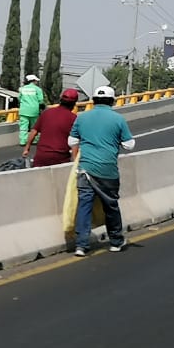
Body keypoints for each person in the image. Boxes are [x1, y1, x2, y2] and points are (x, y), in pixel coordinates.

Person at [68, 85, 136, 256]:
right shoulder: (118, 119)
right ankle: (115, 241)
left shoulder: (82, 118)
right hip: (108, 170)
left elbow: (71, 141)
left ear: (94, 100)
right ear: (112, 101)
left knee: (84, 206)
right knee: (111, 205)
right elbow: (129, 145)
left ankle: (81, 245)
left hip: (85, 169)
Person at [22, 88, 80, 167]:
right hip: (60, 158)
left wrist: (26, 148)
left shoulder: (47, 113)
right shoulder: (73, 118)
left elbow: (34, 132)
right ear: (74, 104)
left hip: (41, 157)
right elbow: (74, 141)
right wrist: (75, 161)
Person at [17, 74, 47, 147]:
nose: (37, 82)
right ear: (33, 81)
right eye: (36, 81)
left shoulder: (22, 89)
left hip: (24, 110)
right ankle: (35, 140)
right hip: (34, 110)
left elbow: (19, 98)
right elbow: (40, 101)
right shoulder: (38, 89)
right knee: (34, 126)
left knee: (23, 127)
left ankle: (22, 141)